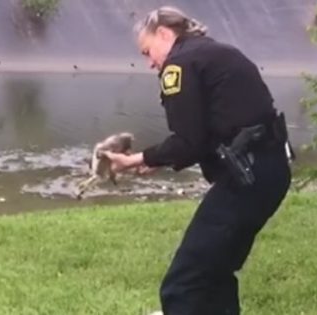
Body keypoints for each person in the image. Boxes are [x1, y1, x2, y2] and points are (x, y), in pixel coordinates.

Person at [103, 6, 293, 315]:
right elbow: (208, 134)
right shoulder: (213, 54)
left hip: (246, 178)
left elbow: (187, 141)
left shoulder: (180, 64)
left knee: (183, 284)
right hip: (269, 172)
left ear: (164, 33)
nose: (151, 62)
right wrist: (156, 160)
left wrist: (132, 160)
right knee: (215, 275)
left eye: (148, 51)